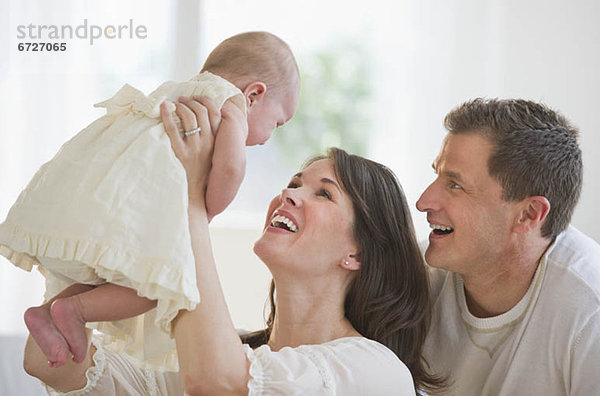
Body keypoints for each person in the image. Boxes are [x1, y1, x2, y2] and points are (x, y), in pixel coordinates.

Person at [22, 98, 443, 395]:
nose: (289, 194)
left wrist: (190, 199)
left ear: (358, 254)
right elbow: (48, 364)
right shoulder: (231, 355)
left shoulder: (373, 370)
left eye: (323, 194)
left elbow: (218, 384)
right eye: (295, 182)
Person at [0, 31, 300, 370]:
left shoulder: (180, 90)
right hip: (132, 208)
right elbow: (230, 169)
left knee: (120, 273)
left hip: (99, 199)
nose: (268, 137)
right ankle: (73, 310)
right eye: (277, 122)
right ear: (254, 95)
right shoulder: (231, 104)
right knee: (154, 284)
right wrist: (206, 211)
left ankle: (48, 312)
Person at [417, 98, 600, 395]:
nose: (423, 202)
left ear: (528, 214)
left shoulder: (589, 309)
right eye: (437, 174)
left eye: (455, 185)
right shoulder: (420, 274)